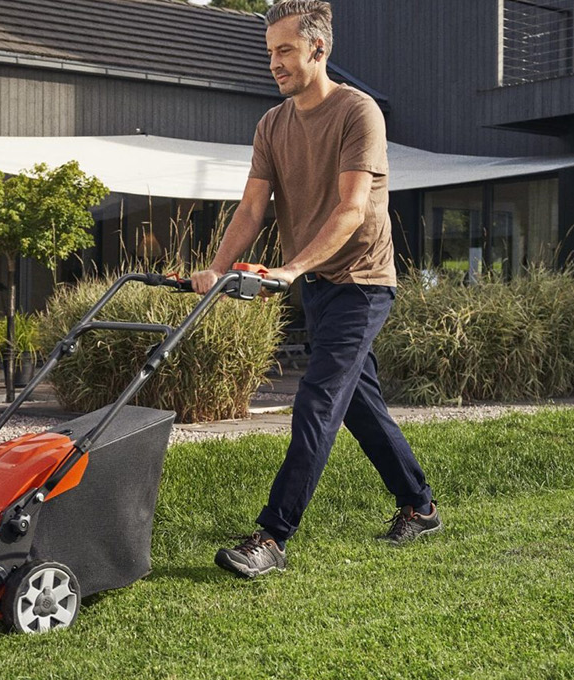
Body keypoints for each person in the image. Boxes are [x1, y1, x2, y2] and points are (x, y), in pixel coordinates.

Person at [191, 0, 439, 579]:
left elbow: (353, 209)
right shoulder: (272, 125)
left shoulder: (359, 113)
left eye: (284, 50)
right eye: (269, 52)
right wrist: (217, 267)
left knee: (318, 399)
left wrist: (290, 268)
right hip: (319, 283)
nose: (274, 63)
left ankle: (273, 536)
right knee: (357, 405)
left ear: (318, 50)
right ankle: (420, 506)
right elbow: (253, 208)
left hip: (362, 280)